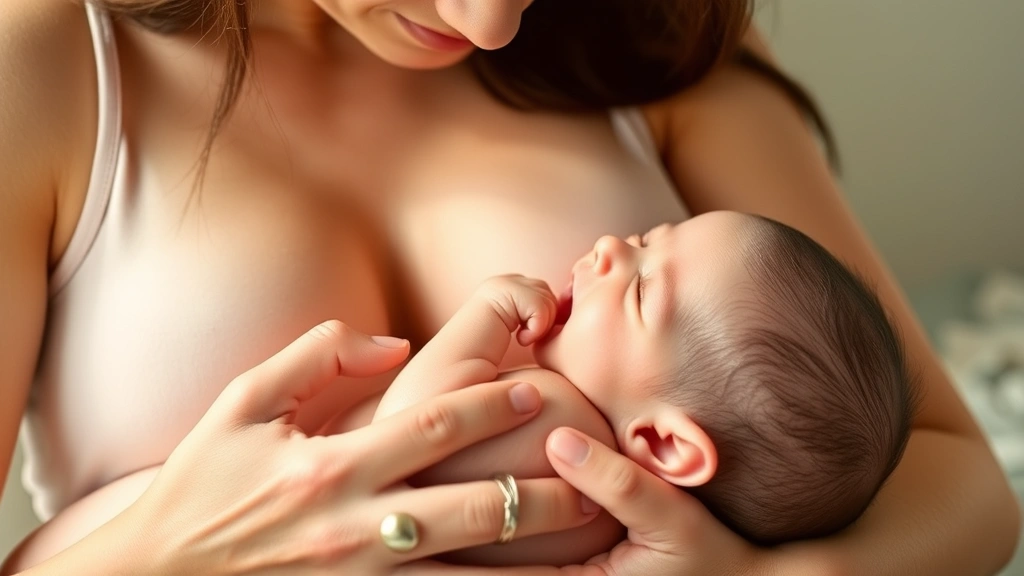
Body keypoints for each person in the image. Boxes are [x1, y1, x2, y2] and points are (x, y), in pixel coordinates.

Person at [0, 0, 1017, 574]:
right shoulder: (42, 63)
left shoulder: (642, 32)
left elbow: (959, 481)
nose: (492, 23)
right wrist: (172, 557)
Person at [366, 212, 916, 566]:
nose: (609, 246)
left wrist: (488, 314)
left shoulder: (560, 428)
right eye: (648, 238)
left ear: (663, 443)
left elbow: (397, 442)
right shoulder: (628, 531)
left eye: (641, 287)